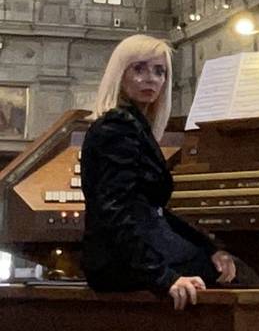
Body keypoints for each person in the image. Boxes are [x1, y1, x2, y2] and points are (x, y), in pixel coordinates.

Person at [81, 35, 243, 310]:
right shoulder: (117, 127)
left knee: (228, 266)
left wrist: (210, 248)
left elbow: (152, 209)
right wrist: (163, 277)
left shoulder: (132, 125)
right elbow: (115, 211)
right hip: (120, 261)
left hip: (129, 253)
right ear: (120, 74)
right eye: (139, 69)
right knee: (241, 280)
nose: (151, 79)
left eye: (160, 72)